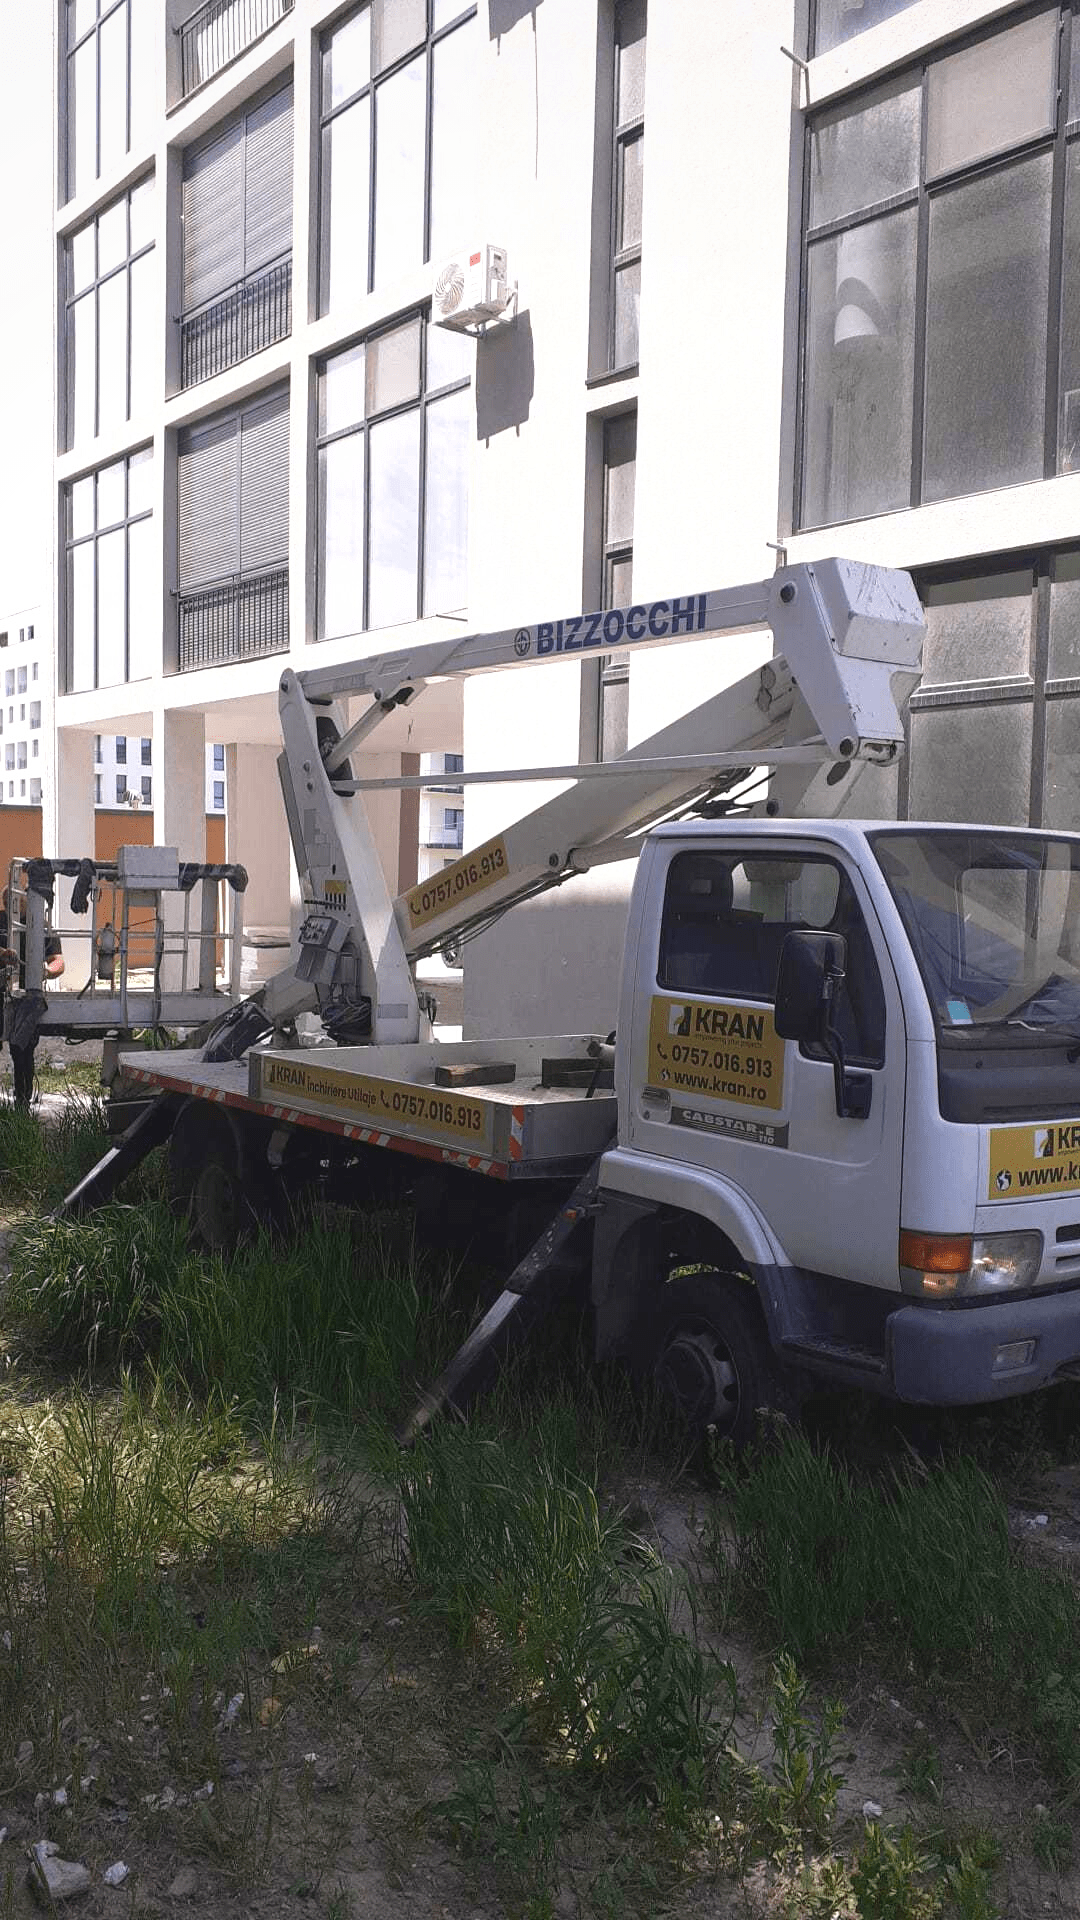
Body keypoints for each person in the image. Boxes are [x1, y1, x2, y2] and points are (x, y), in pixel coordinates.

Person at [0, 887, 64, 1106]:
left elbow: (58, 962)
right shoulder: (0, 922)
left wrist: (46, 971)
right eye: (8, 903)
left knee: (22, 1048)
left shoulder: (41, 928)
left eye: (17, 903)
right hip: (3, 993)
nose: (12, 907)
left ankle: (22, 1101)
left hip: (28, 997)